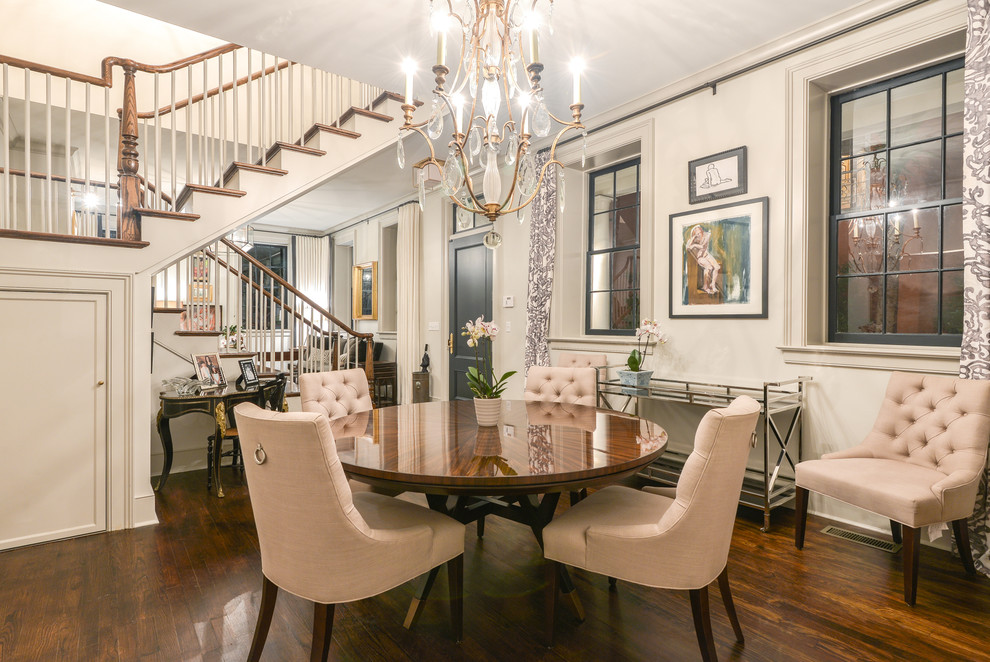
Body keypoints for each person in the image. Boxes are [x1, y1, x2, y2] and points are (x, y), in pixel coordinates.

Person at [685, 224, 721, 295]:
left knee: (717, 267)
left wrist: (694, 245)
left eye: (700, 232)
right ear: (694, 234)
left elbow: (702, 246)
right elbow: (687, 247)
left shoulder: (706, 235)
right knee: (709, 267)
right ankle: (705, 286)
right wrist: (693, 238)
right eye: (697, 233)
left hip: (706, 254)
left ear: (702, 231)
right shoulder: (693, 239)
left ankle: (712, 285)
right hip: (700, 258)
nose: (699, 234)